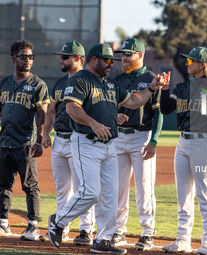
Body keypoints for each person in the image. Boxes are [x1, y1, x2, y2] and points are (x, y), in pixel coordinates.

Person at [47, 43, 169, 254]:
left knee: (110, 195)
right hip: (86, 141)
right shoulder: (80, 80)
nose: (112, 64)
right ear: (93, 59)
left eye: (113, 60)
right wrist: (93, 123)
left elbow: (133, 101)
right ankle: (58, 221)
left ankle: (102, 239)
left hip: (110, 145)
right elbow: (71, 108)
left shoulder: (110, 83)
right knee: (91, 192)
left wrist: (152, 87)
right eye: (108, 60)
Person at [160, 46, 207, 255]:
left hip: (205, 142)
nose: (188, 63)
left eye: (192, 61)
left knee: (205, 194)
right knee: (183, 195)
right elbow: (165, 110)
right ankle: (183, 240)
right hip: (182, 142)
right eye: (188, 60)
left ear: (203, 65)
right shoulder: (181, 88)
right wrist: (164, 89)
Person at [39, 41, 95, 245]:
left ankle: (86, 230)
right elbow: (52, 110)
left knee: (83, 188)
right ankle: (60, 228)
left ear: (78, 59)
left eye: (65, 57)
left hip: (78, 139)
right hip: (59, 140)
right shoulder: (61, 83)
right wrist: (46, 134)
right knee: (62, 189)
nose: (61, 60)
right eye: (61, 56)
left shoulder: (88, 81)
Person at [110, 38, 163, 251]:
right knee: (118, 187)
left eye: (128, 53)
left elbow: (158, 112)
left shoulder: (153, 79)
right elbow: (109, 107)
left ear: (140, 55)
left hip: (141, 136)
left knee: (144, 186)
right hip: (119, 137)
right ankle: (118, 231)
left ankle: (148, 232)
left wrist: (154, 140)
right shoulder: (118, 79)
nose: (124, 57)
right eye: (123, 53)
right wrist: (115, 116)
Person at [0, 39, 50, 240]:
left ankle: (33, 225)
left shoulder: (38, 84)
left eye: (31, 56)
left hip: (26, 144)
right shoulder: (4, 83)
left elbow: (42, 115)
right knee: (3, 185)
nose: (28, 60)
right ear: (14, 59)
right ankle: (3, 223)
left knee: (30, 186)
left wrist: (39, 140)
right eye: (23, 56)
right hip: (5, 143)